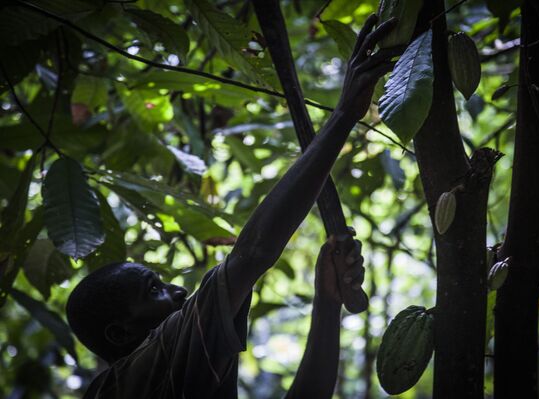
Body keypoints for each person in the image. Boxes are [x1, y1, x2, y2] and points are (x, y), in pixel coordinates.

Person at [66, 14, 400, 398]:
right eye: (153, 288)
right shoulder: (143, 370)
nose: (177, 291)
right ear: (120, 332)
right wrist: (343, 116)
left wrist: (327, 301)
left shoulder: (184, 373)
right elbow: (252, 254)